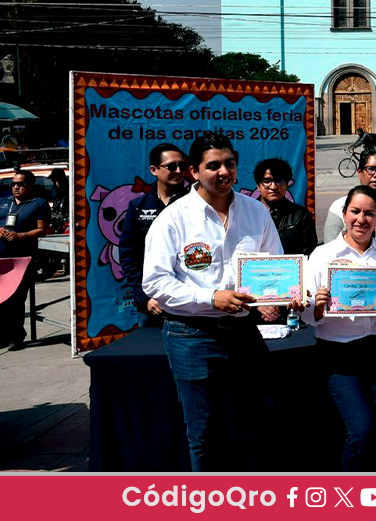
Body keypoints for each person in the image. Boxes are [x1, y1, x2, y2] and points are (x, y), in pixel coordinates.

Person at [142, 132, 300, 471]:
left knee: (261, 414)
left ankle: (250, 494)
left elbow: (274, 267)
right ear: (194, 172)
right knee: (205, 431)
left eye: (229, 163)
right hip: (192, 335)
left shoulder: (256, 212)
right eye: (213, 166)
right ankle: (209, 498)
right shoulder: (174, 218)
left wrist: (285, 297)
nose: (223, 171)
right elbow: (155, 282)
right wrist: (210, 297)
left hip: (243, 332)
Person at [302, 185, 376, 472]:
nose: (361, 219)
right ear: (344, 213)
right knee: (362, 433)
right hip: (339, 356)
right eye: (355, 211)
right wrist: (318, 305)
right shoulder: (322, 255)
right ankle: (347, 494)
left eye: (369, 213)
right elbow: (308, 314)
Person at [120, 143, 188, 325]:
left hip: (189, 301)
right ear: (154, 170)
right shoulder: (138, 206)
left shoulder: (195, 204)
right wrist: (144, 298)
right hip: (152, 304)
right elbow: (129, 257)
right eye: (172, 166)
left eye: (182, 165)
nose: (179, 171)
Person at [0, 168, 50, 350]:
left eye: (20, 184)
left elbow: (42, 229)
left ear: (31, 185)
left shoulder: (39, 204)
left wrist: (21, 236)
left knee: (15, 300)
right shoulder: (2, 202)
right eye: (13, 184)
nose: (16, 187)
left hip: (20, 260)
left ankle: (16, 336)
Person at [253, 158, 316, 256]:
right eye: (267, 181)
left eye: (279, 180)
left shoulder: (300, 216)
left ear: (287, 184)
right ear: (258, 186)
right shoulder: (246, 214)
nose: (273, 187)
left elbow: (308, 253)